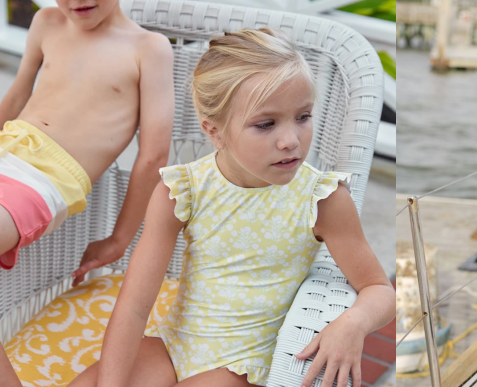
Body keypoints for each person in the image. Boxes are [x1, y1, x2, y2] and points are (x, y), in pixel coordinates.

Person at [68, 28, 396, 387]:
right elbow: (133, 307)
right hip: (173, 345)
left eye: (303, 116)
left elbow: (380, 290)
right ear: (215, 131)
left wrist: (353, 322)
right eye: (266, 124)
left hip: (242, 366)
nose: (291, 140)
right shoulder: (183, 190)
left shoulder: (322, 199)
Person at [0, 0, 173, 384]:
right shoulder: (46, 23)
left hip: (46, 178)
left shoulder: (148, 49)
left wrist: (119, 239)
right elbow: (17, 97)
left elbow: (153, 154)